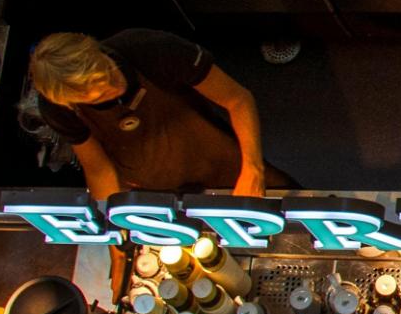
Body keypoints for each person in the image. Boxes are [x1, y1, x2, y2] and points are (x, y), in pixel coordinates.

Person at [28, 28, 274, 198]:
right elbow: (99, 169)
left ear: (97, 50)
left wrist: (253, 169)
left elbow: (237, 99)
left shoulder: (151, 48)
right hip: (152, 187)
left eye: (110, 74)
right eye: (100, 97)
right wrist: (117, 239)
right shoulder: (57, 109)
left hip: (214, 156)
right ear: (69, 102)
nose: (115, 89)